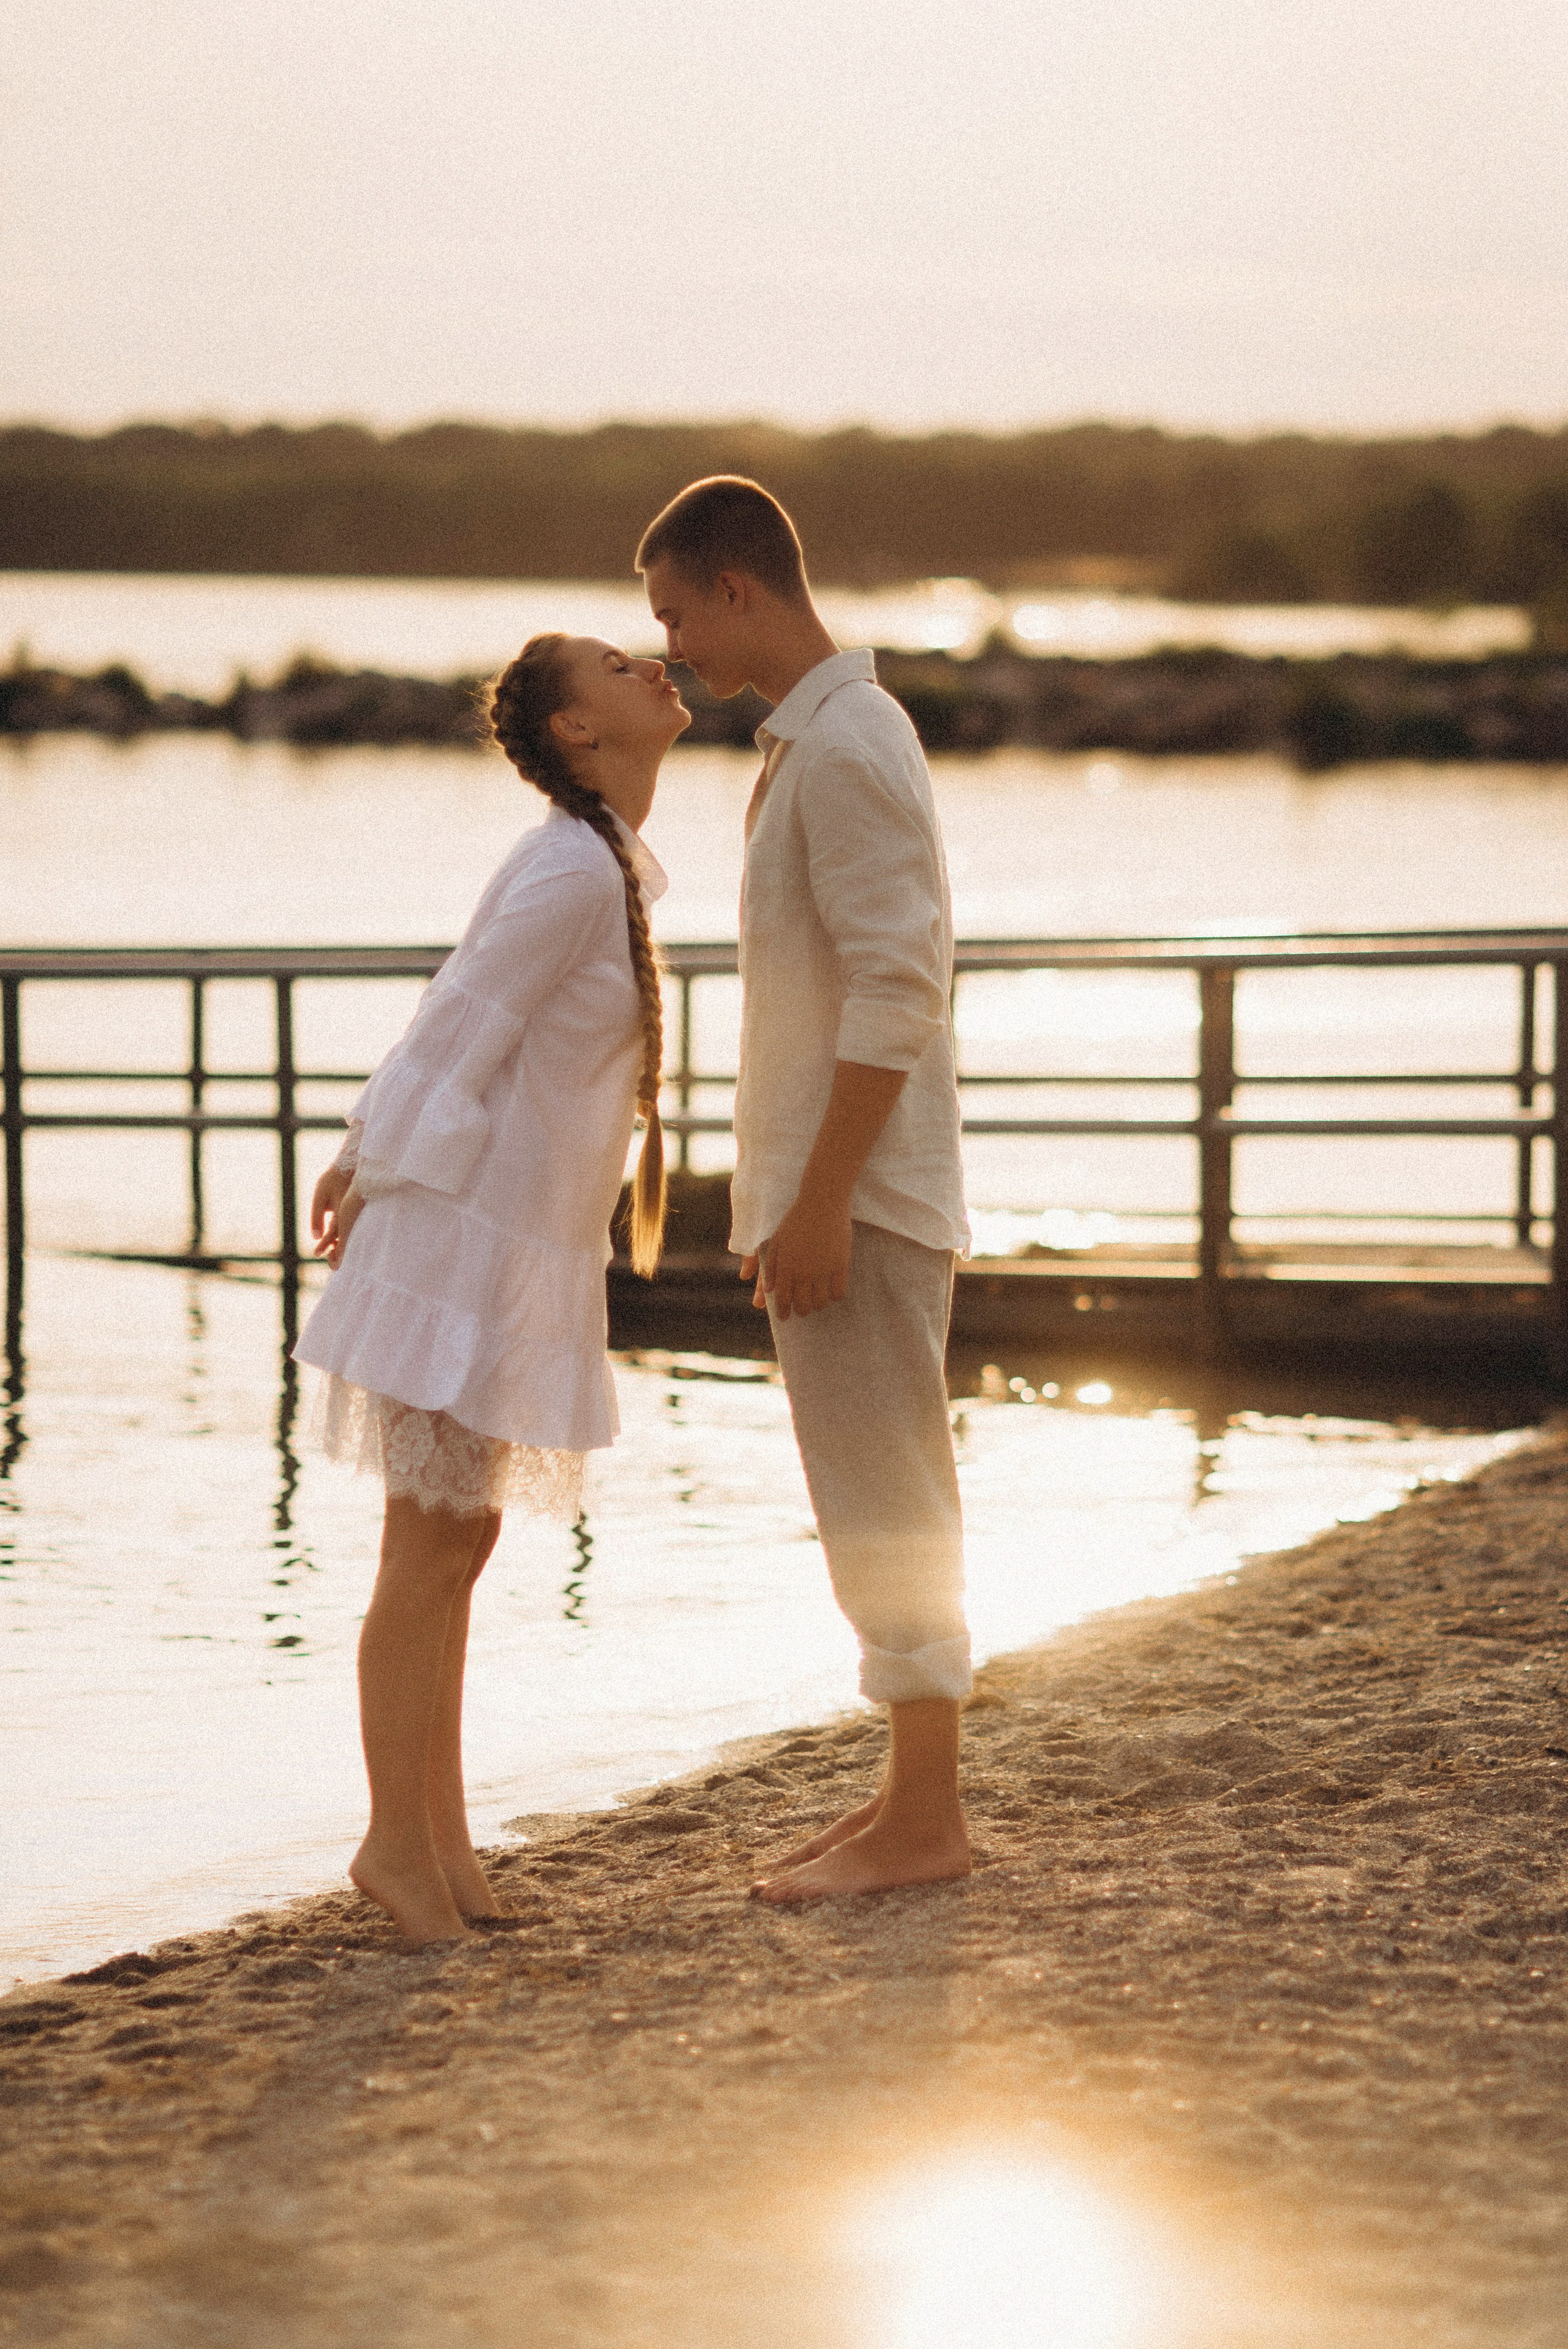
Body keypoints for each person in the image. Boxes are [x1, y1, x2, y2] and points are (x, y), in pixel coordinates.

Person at [295, 635, 688, 1943]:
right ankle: (392, 1846)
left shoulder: (605, 864)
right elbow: (463, 1012)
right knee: (426, 1551)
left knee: (462, 1543)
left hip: (513, 1243)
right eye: (620, 666)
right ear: (578, 730)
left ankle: (442, 1842)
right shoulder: (571, 868)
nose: (652, 665)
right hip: (457, 1243)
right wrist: (365, 1151)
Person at [638, 477, 973, 1904]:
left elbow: (902, 985)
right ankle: (905, 1796)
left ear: (735, 586)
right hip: (827, 1187)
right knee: (864, 1489)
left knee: (888, 1486)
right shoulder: (819, 739)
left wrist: (823, 1196)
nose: (664, 648)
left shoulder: (844, 745)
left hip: (864, 1193)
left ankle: (926, 1821)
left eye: (671, 613)